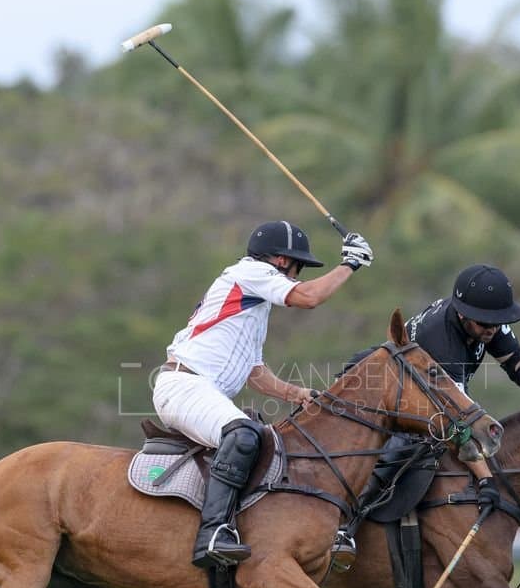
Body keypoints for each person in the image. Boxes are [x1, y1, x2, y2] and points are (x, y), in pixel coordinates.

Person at [154, 221, 374, 569]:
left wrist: (297, 393)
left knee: (266, 441)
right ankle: (213, 533)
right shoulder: (251, 273)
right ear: (281, 260)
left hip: (200, 390)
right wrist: (349, 264)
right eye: (298, 266)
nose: (297, 273)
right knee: (243, 435)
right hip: (184, 385)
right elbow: (309, 297)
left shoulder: (253, 304)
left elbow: (254, 372)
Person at [336, 263, 520, 562]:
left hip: (418, 399)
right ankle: (344, 526)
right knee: (400, 451)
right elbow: (458, 423)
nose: (491, 329)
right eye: (485, 324)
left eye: (497, 322)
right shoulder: (442, 342)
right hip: (371, 389)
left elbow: (517, 363)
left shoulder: (486, 320)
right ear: (463, 314)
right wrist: (485, 479)